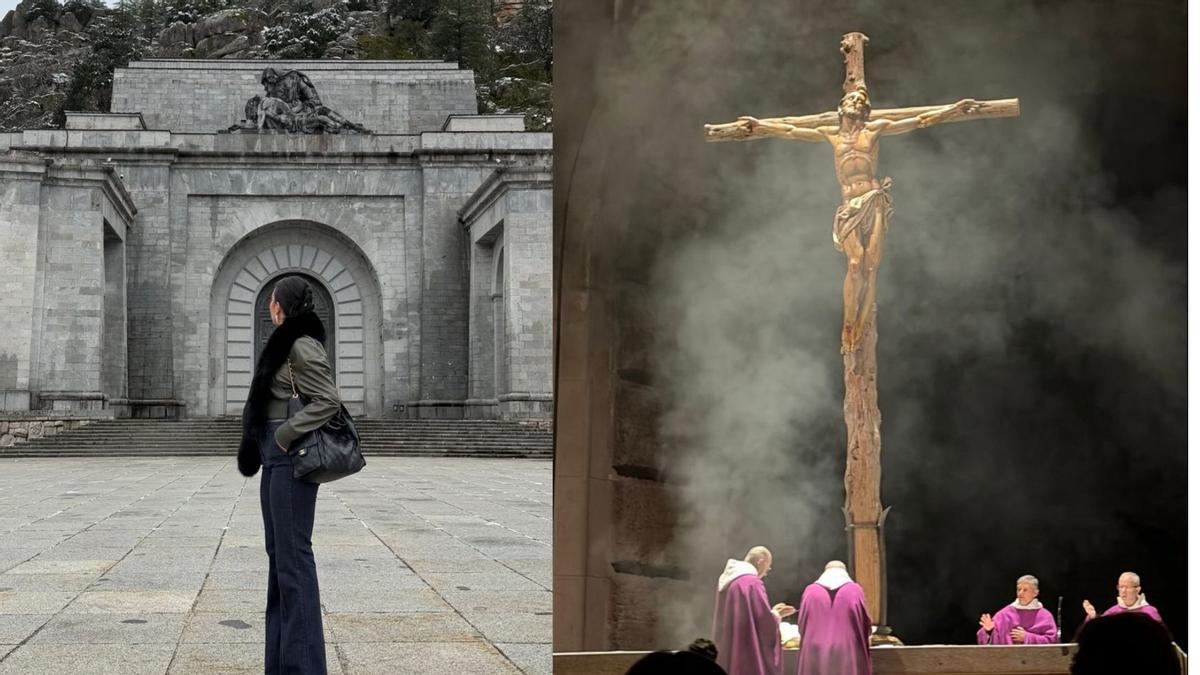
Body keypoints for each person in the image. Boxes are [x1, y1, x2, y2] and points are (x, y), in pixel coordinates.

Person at [237, 276, 342, 674]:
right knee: (280, 561)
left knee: (294, 562)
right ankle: (282, 664)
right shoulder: (285, 343)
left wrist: (283, 435)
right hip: (274, 460)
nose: (269, 305)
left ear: (282, 305)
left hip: (291, 460)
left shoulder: (301, 345)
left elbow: (328, 400)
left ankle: (304, 668)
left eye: (274, 299)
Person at [712, 546, 796, 675]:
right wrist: (776, 614)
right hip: (746, 653)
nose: (767, 572)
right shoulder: (752, 582)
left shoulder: (729, 581)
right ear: (760, 561)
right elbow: (764, 623)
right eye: (768, 567)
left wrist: (772, 611)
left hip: (728, 648)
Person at [794, 561, 872, 675]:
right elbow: (865, 623)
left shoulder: (810, 591)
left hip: (815, 651)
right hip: (847, 650)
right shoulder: (855, 590)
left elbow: (802, 624)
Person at [1070, 612, 1181, 675]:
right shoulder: (1112, 612)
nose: (1071, 668)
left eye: (1080, 659)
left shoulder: (1150, 614)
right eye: (1121, 587)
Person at [976, 574, 1058, 644]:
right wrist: (989, 631)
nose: (1020, 593)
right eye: (1019, 589)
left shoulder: (1045, 616)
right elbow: (984, 638)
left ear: (1035, 593)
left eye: (1025, 590)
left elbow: (1052, 641)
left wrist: (1027, 637)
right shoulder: (1004, 614)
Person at [1082, 571, 1164, 623]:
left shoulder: (1150, 612)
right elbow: (1097, 631)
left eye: (1127, 587)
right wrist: (1092, 617)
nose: (1123, 591)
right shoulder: (1113, 612)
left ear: (1137, 589)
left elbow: (1161, 637)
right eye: (1121, 587)